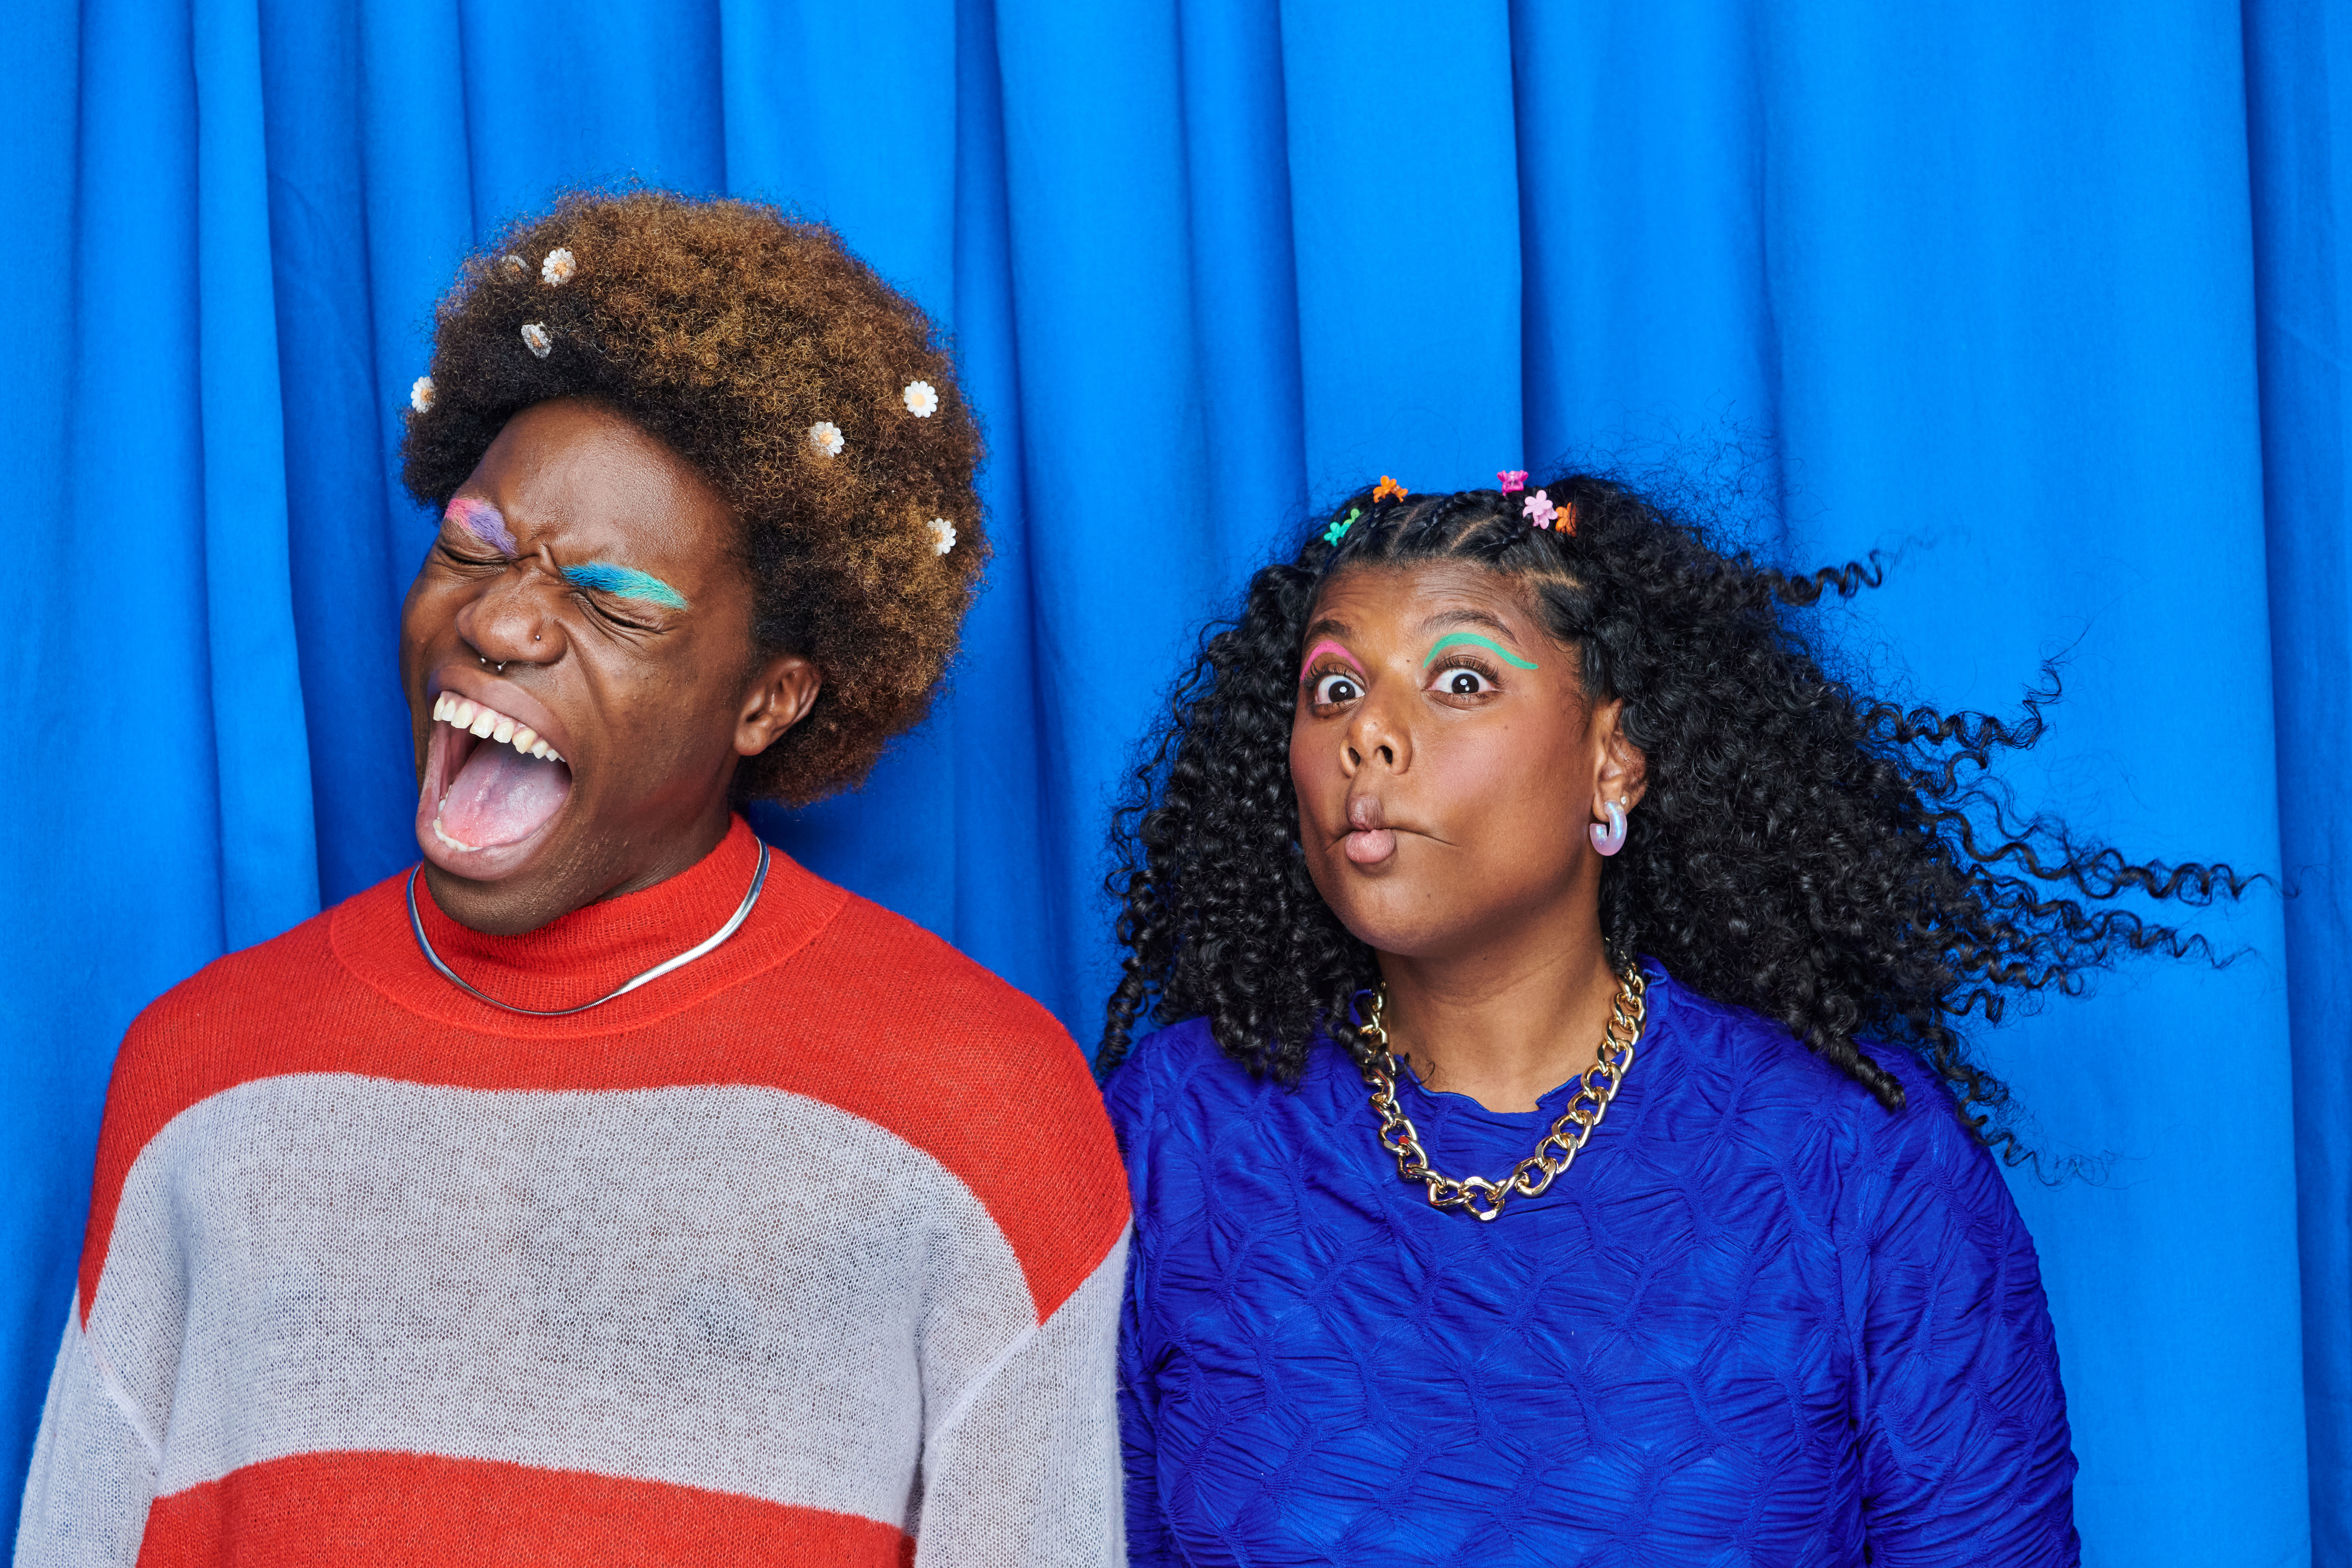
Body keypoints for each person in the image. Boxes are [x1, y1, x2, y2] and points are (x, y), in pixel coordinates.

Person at [18, 192, 1128, 1567]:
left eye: (609, 602)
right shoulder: (200, 1070)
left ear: (768, 700)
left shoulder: (984, 1104)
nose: (495, 618)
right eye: (474, 548)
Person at [1100, 473, 2243, 1566]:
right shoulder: (1169, 1135)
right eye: (1333, 688)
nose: (1368, 736)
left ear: (1614, 757)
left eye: (1458, 679)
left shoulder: (1858, 1161)